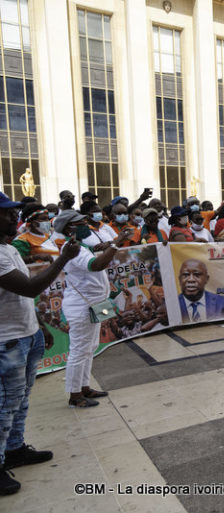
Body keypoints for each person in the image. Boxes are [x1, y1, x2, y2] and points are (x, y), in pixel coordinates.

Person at [0, 192, 82, 495]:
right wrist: (63, 258)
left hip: (26, 333)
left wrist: (41, 326)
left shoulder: (7, 249)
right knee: (5, 405)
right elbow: (31, 287)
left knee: (20, 401)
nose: (13, 217)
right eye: (6, 213)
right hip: (7, 341)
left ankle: (15, 448)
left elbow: (20, 298)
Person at [54, 210, 131, 408]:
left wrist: (109, 244)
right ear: (70, 228)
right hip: (82, 307)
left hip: (95, 304)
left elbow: (98, 250)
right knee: (79, 350)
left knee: (90, 347)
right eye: (81, 223)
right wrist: (116, 242)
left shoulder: (81, 246)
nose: (86, 226)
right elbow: (96, 265)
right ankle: (75, 395)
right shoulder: (73, 249)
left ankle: (84, 386)